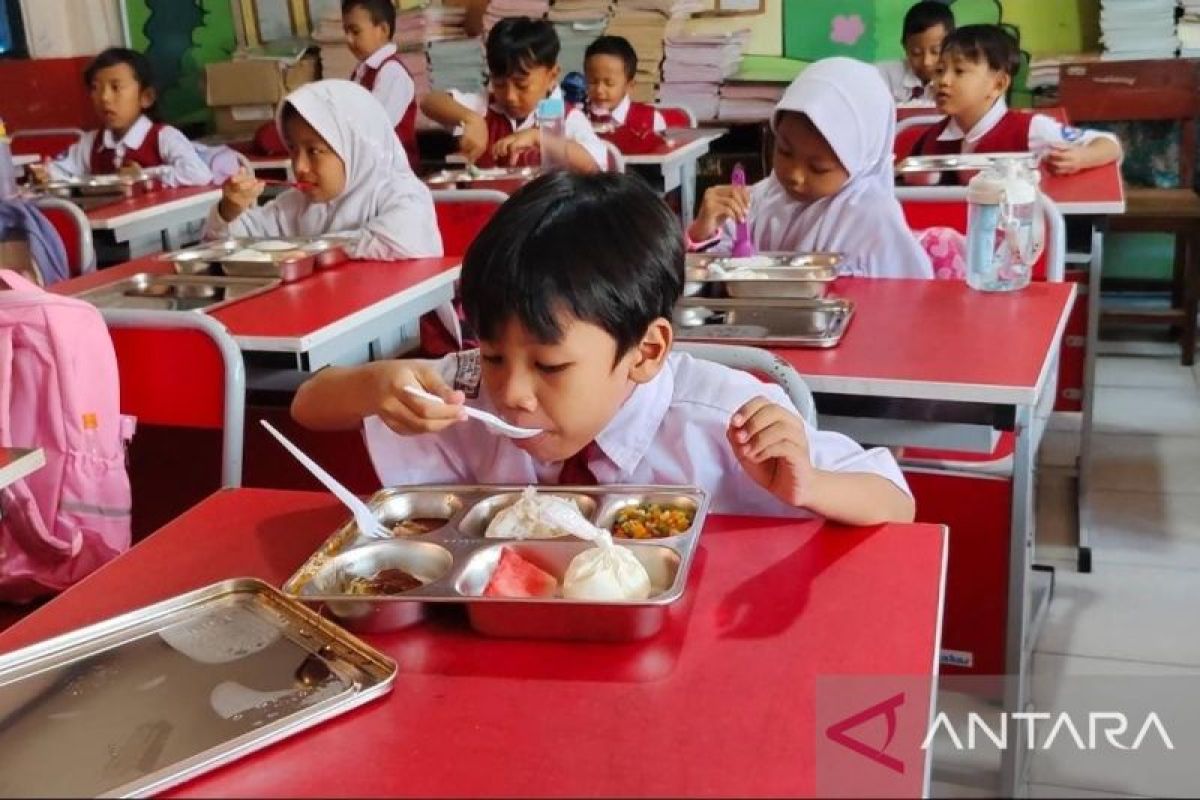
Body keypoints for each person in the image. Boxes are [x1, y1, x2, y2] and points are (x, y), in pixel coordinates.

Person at [291, 172, 915, 524]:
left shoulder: (721, 419)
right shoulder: (472, 385)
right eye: (493, 352)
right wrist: (378, 386)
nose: (512, 391)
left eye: (550, 364)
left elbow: (895, 500)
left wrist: (809, 487)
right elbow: (309, 404)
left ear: (646, 352)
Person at [687, 57, 933, 279]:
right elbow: (711, 272)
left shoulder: (874, 223)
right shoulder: (760, 200)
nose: (795, 175)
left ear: (860, 162)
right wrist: (703, 232)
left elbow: (909, 301)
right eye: (784, 151)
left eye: (818, 168)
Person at [205, 80, 441, 260]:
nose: (299, 166)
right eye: (293, 149)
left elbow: (403, 243)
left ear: (354, 147)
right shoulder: (295, 206)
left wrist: (308, 248)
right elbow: (226, 245)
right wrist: (229, 211)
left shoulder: (401, 195)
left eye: (315, 151)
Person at [912, 25, 1122, 178]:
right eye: (940, 71)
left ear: (998, 85)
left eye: (959, 71)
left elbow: (1110, 144)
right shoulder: (933, 137)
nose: (943, 81)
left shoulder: (1031, 128)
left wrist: (1081, 158)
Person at [419, 17, 606, 171]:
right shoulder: (484, 106)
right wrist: (471, 120)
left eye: (521, 85)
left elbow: (595, 164)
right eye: (499, 84)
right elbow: (430, 102)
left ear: (552, 76)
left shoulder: (563, 114)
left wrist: (538, 137)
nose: (509, 96)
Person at [40, 48, 211, 187]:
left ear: (146, 97)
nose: (104, 97)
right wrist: (46, 175)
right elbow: (62, 172)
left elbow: (199, 175)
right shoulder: (91, 143)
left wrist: (144, 176)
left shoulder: (163, 136)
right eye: (96, 88)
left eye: (116, 87)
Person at [343, 0, 420, 167]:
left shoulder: (392, 72)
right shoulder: (361, 72)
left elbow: (375, 125)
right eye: (346, 31)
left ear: (383, 30)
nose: (348, 39)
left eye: (355, 32)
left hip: (393, 173)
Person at [583, 35, 667, 133]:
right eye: (593, 82)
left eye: (609, 83)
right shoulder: (577, 117)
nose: (599, 90)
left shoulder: (651, 120)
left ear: (629, 85)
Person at [877, 1, 955, 105]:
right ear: (905, 46)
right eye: (916, 53)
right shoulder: (882, 75)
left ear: (952, 47)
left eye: (935, 51)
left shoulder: (958, 82)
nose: (926, 62)